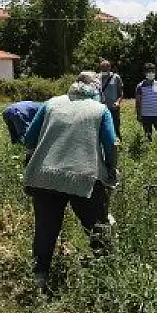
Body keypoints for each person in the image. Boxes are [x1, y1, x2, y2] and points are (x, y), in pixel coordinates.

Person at [22, 72, 119, 294]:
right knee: (97, 229)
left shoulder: (50, 104)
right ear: (95, 91)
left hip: (45, 176)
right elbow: (111, 144)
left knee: (45, 229)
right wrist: (111, 170)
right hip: (84, 178)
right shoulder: (100, 110)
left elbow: (29, 138)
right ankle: (108, 280)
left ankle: (39, 279)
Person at [135, 63, 157, 141]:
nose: (151, 73)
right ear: (144, 73)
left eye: (152, 71)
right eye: (148, 71)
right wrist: (138, 114)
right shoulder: (140, 86)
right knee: (148, 136)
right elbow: (138, 102)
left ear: (155, 72)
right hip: (145, 115)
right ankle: (149, 151)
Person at [97, 59, 125, 139]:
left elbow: (121, 93)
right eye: (102, 68)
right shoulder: (97, 78)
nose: (104, 70)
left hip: (113, 108)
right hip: (100, 109)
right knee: (101, 129)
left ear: (110, 68)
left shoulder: (116, 77)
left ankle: (118, 147)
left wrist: (118, 102)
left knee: (115, 128)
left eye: (106, 68)